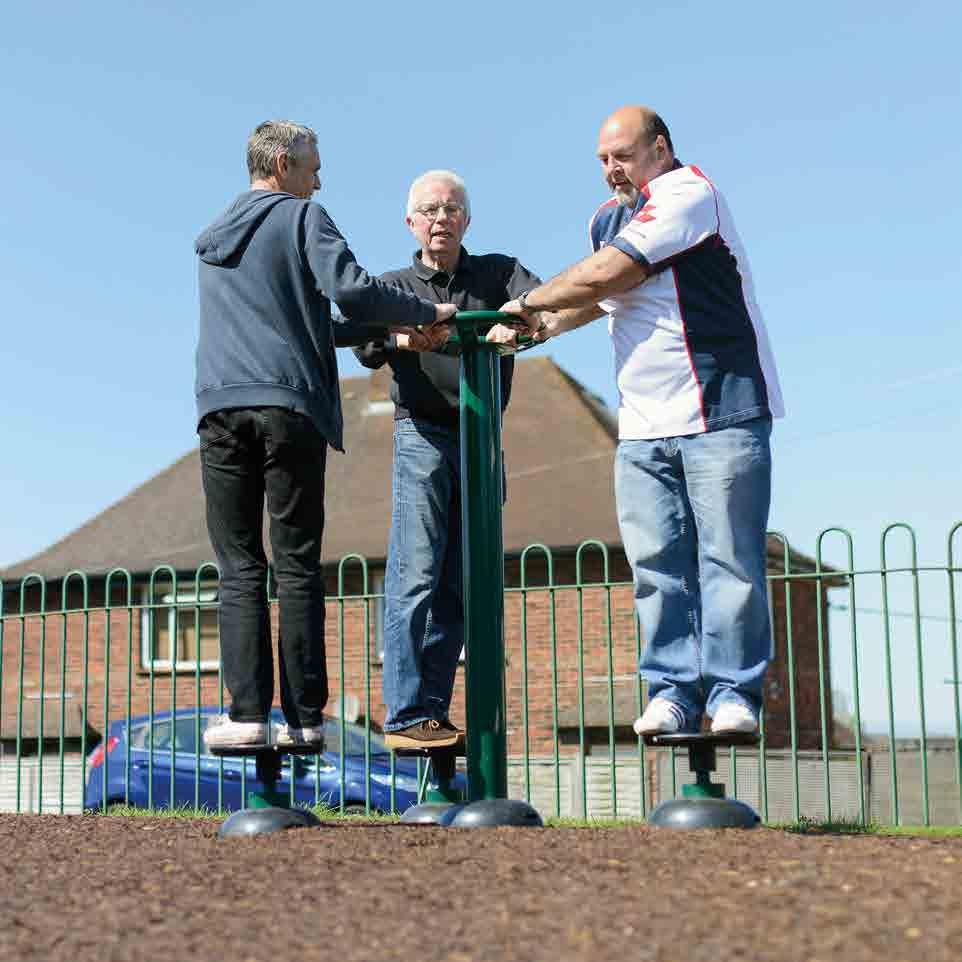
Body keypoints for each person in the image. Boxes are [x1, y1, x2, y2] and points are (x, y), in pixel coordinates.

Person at [492, 106, 784, 735]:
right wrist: (537, 328)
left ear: (660, 148)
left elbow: (611, 270)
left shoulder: (689, 194)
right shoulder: (606, 218)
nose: (611, 169)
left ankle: (732, 693)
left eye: (622, 156)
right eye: (602, 159)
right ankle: (672, 691)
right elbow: (601, 296)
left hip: (720, 408)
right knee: (655, 566)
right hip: (643, 423)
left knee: (729, 560)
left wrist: (525, 302)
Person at [195, 121, 455, 752]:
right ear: (283, 164)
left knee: (238, 567)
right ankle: (305, 718)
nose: (319, 180)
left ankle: (247, 715)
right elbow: (351, 290)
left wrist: (387, 335)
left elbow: (312, 321)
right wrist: (426, 311)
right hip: (289, 407)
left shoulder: (216, 236)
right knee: (295, 565)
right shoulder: (302, 217)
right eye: (312, 167)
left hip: (221, 406)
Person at [354, 169, 541, 750]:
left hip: (481, 434)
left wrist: (521, 326)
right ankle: (405, 710)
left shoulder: (497, 273)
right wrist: (405, 337)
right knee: (416, 572)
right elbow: (365, 343)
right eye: (430, 210)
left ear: (467, 220)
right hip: (423, 434)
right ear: (410, 222)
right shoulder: (393, 286)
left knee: (461, 582)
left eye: (452, 209)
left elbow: (540, 308)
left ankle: (432, 709)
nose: (441, 218)